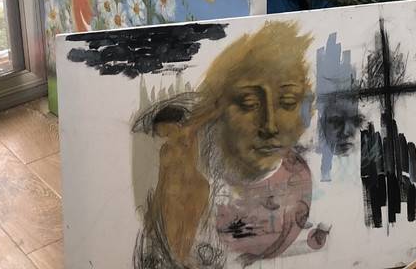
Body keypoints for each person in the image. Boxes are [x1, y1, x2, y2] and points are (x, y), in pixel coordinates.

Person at [133, 21, 328, 268]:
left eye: (288, 102)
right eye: (249, 104)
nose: (269, 125)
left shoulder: (297, 181)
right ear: (217, 109)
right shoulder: (181, 161)